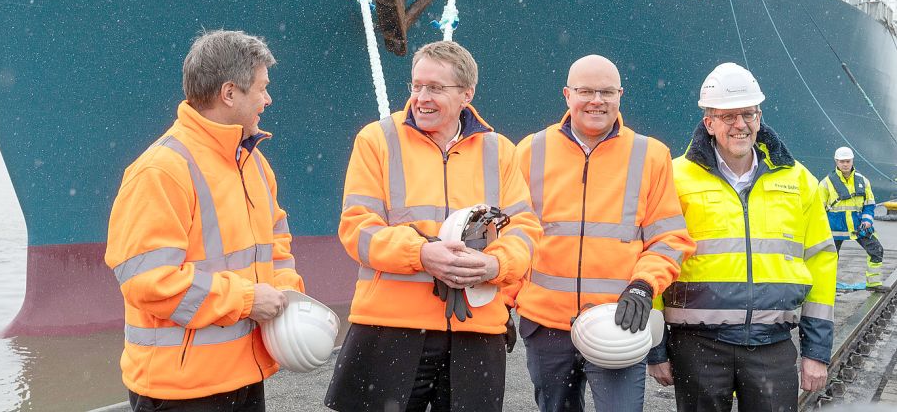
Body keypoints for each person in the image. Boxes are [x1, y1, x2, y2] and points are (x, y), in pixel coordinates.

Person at [325, 40, 542, 412]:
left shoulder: (500, 150)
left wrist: (497, 265)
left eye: (436, 88)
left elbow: (524, 229)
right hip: (389, 328)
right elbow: (356, 228)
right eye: (416, 85)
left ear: (466, 94)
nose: (421, 97)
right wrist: (421, 254)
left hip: (475, 331)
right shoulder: (377, 140)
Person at [105, 30, 302, 412]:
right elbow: (148, 283)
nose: (268, 99)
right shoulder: (161, 170)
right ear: (229, 93)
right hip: (181, 391)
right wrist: (247, 300)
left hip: (243, 376)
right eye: (261, 89)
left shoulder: (254, 163)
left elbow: (277, 243)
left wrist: (287, 294)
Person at [511, 54, 696, 412]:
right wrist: (504, 302)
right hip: (545, 325)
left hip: (619, 324)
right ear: (567, 95)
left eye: (607, 92)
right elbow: (510, 236)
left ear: (620, 95)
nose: (597, 100)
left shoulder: (651, 155)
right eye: (586, 91)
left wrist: (644, 286)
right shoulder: (530, 151)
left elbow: (671, 240)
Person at [648, 63, 837, 411]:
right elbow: (655, 259)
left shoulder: (797, 181)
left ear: (759, 116)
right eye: (729, 115)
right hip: (697, 345)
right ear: (709, 122)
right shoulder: (674, 178)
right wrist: (656, 349)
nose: (740, 124)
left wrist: (816, 352)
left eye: (748, 113)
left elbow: (822, 264)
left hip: (772, 345)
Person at [819, 146, 884, 289]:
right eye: (842, 161)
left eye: (847, 161)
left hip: (859, 226)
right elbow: (819, 209)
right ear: (836, 161)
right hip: (835, 229)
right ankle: (827, 286)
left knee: (876, 250)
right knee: (829, 258)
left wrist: (867, 220)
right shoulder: (826, 183)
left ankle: (874, 283)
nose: (845, 164)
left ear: (852, 161)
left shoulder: (863, 181)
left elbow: (869, 203)